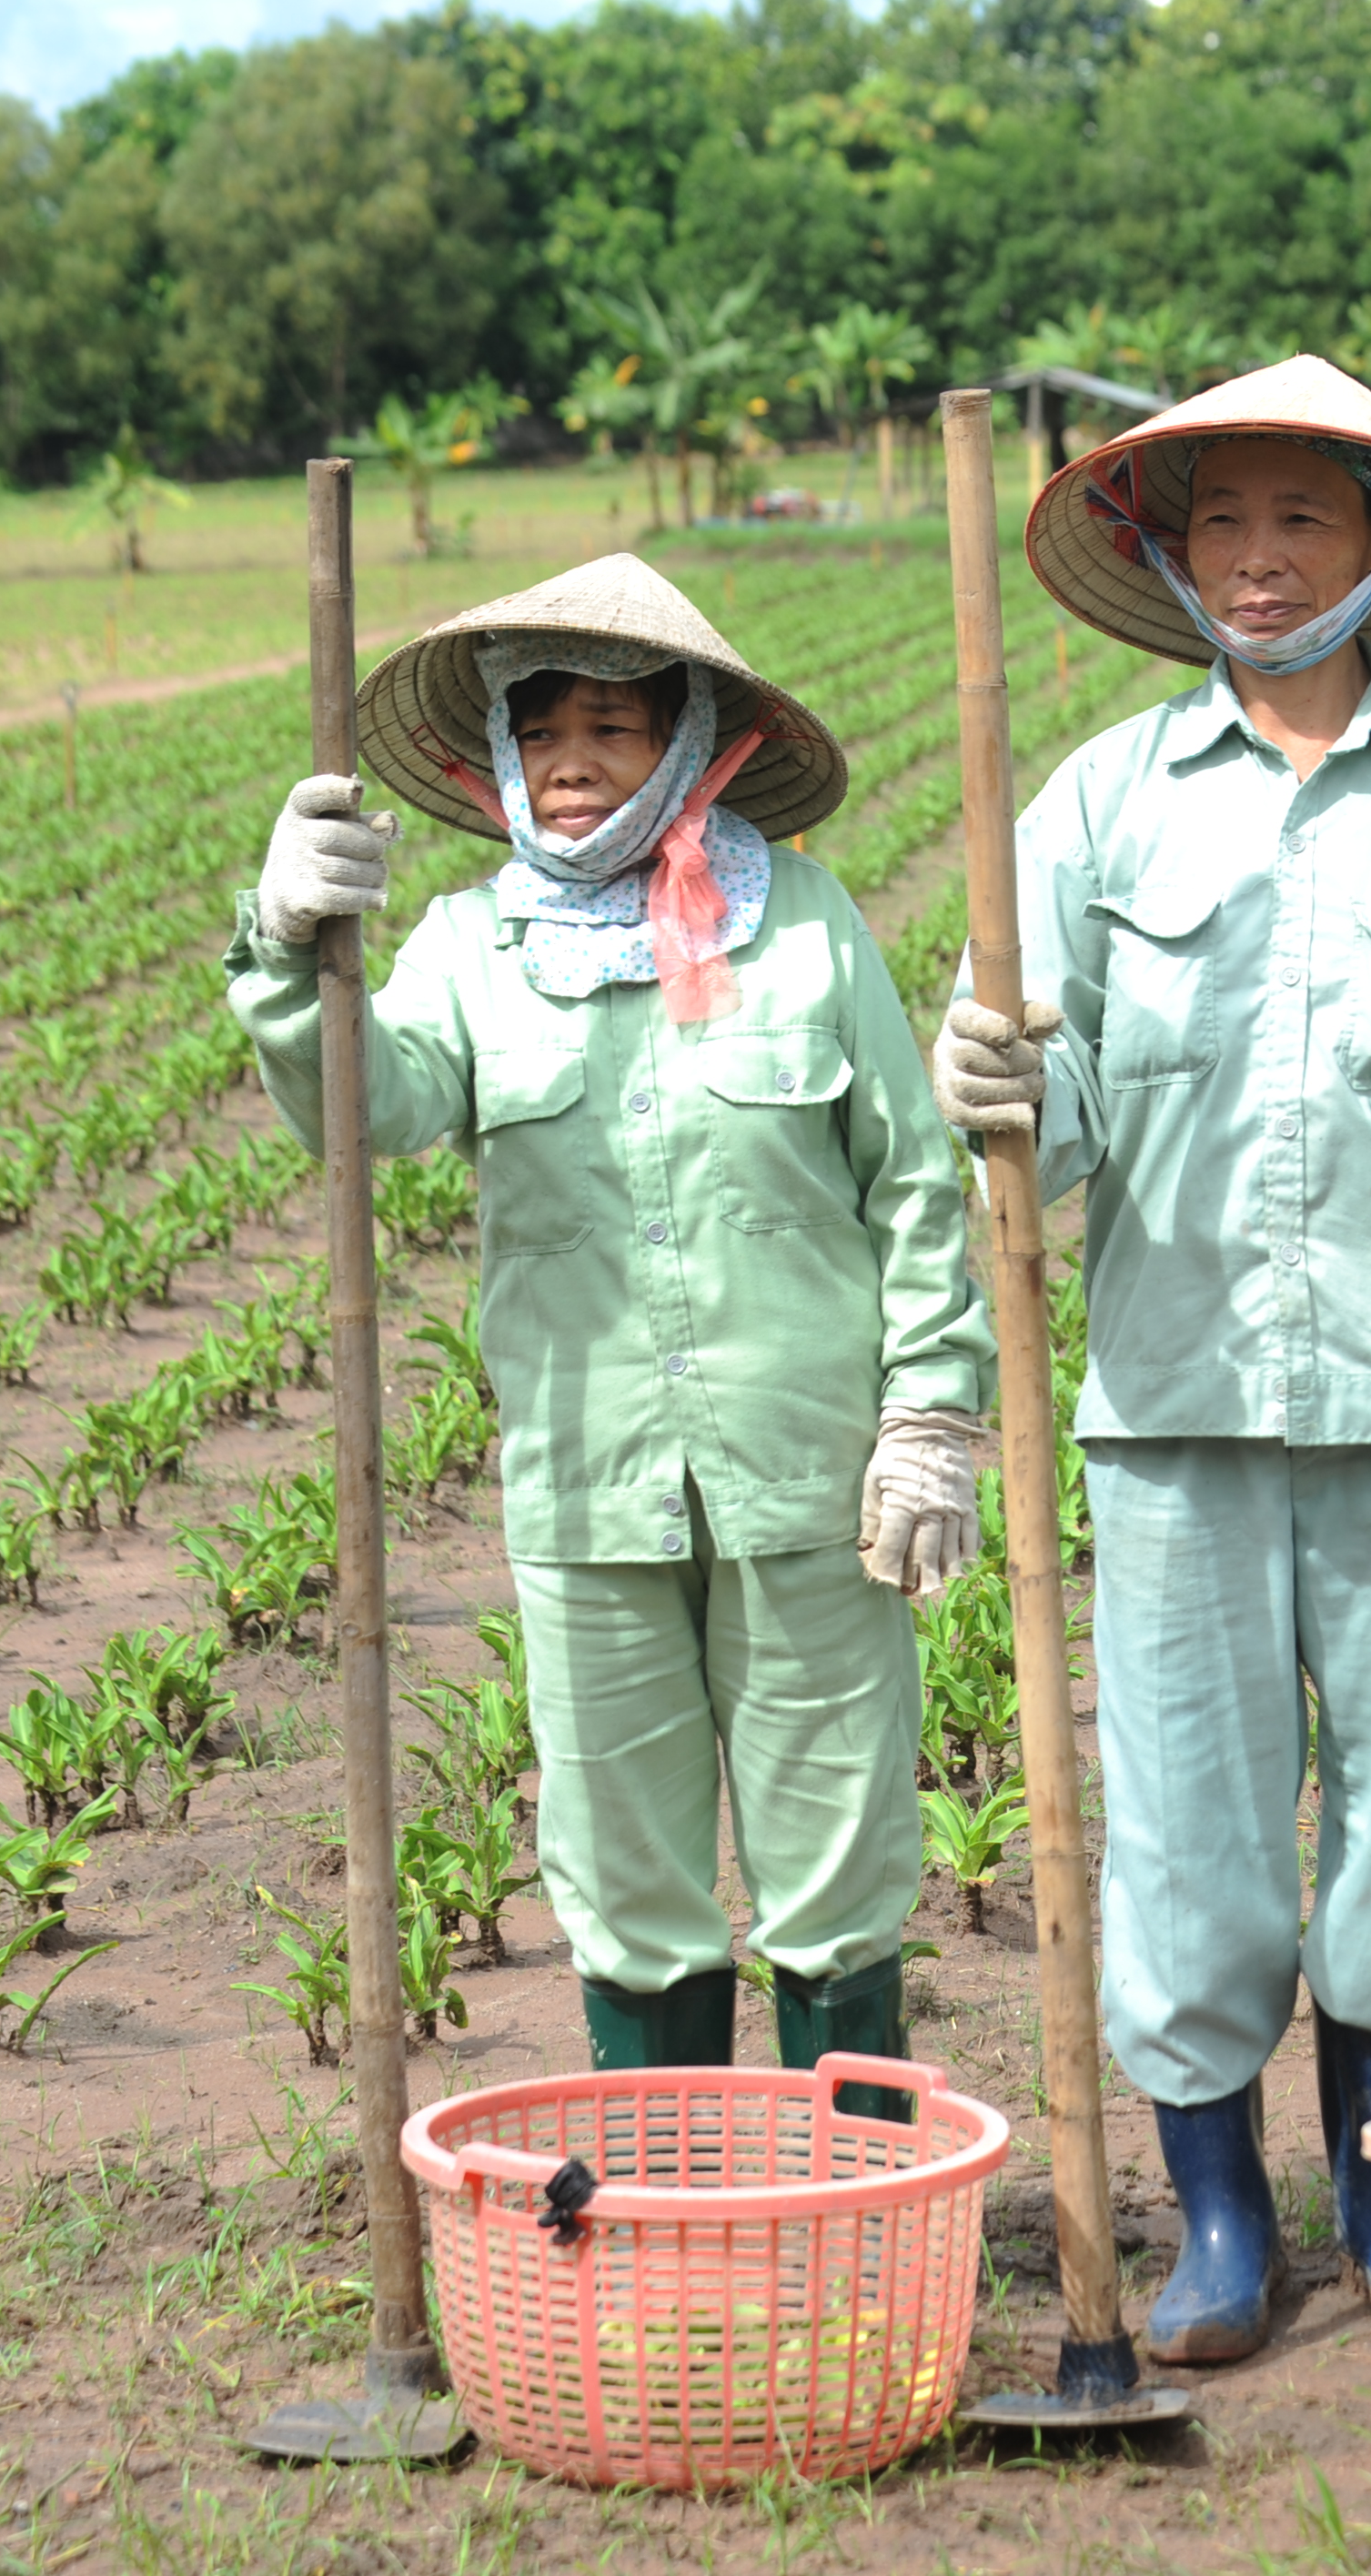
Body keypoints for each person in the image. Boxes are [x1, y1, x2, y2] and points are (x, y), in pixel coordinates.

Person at [932, 356, 1371, 2362]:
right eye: (1222, 525)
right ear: (1167, 557)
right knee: (1186, 1826)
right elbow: (1043, 1147)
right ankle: (1223, 2220)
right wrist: (986, 1081)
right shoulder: (1089, 807)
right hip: (1175, 1404)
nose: (1259, 561)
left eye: (1303, 520)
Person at [232, 554, 988, 2108]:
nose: (574, 762)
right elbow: (361, 1109)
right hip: (593, 1491)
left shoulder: (804, 926)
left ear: (692, 745)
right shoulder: (467, 949)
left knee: (838, 1860)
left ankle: (849, 2204)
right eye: (544, 731)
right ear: (502, 756)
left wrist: (932, 1414)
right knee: (625, 1877)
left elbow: (912, 1179)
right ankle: (667, 2197)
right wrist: (290, 949)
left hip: (816, 1487)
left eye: (617, 728)